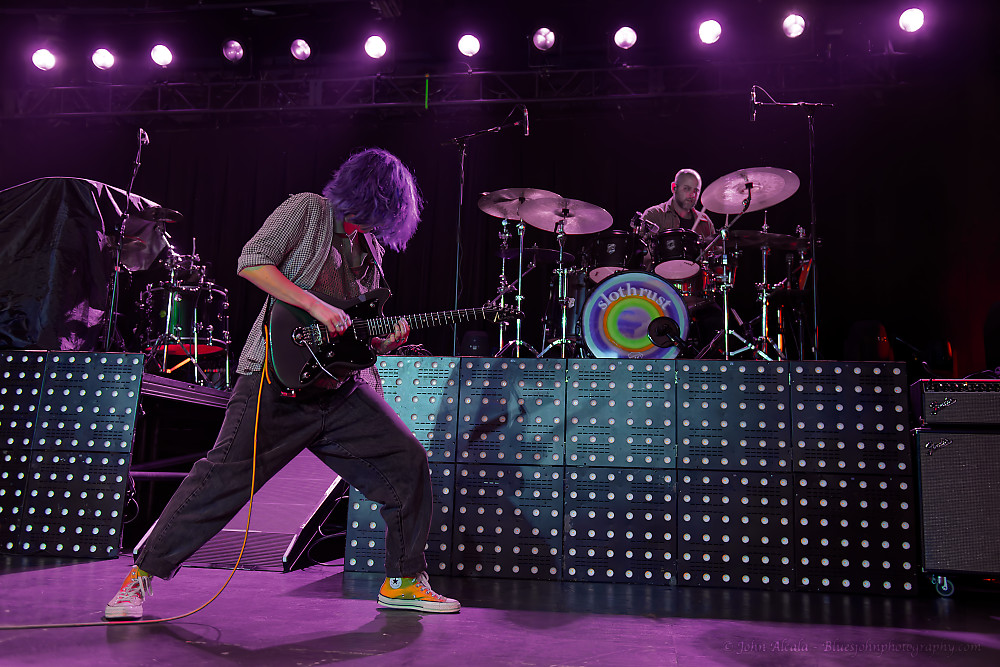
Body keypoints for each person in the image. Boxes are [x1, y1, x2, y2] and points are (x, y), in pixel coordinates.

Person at [105, 147, 460, 619]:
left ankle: (403, 581)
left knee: (406, 460)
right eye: (385, 208)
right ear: (369, 194)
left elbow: (351, 333)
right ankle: (140, 578)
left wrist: (383, 342)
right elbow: (251, 261)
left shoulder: (368, 250)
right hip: (274, 379)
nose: (385, 222)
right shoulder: (309, 210)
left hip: (337, 388)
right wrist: (316, 305)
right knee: (220, 481)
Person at [640, 168, 715, 243]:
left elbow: (714, 251)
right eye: (686, 188)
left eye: (696, 190)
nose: (692, 195)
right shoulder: (653, 215)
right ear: (674, 188)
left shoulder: (705, 222)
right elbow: (640, 251)